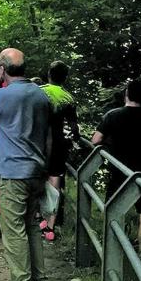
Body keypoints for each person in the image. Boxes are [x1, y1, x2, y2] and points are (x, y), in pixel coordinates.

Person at [0, 48, 52, 281]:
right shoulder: (40, 95)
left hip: (13, 172)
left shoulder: (4, 95)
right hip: (36, 170)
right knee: (32, 226)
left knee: (13, 229)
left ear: (2, 69)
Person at [91, 80, 141, 254]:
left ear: (126, 95)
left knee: (112, 208)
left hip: (119, 170)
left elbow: (96, 140)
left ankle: (111, 249)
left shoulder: (113, 115)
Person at [39, 61, 80, 241]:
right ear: (65, 78)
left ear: (49, 73)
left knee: (37, 179)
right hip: (58, 145)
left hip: (37, 143)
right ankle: (50, 226)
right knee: (55, 182)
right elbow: (73, 128)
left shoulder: (38, 92)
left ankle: (36, 216)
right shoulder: (68, 98)